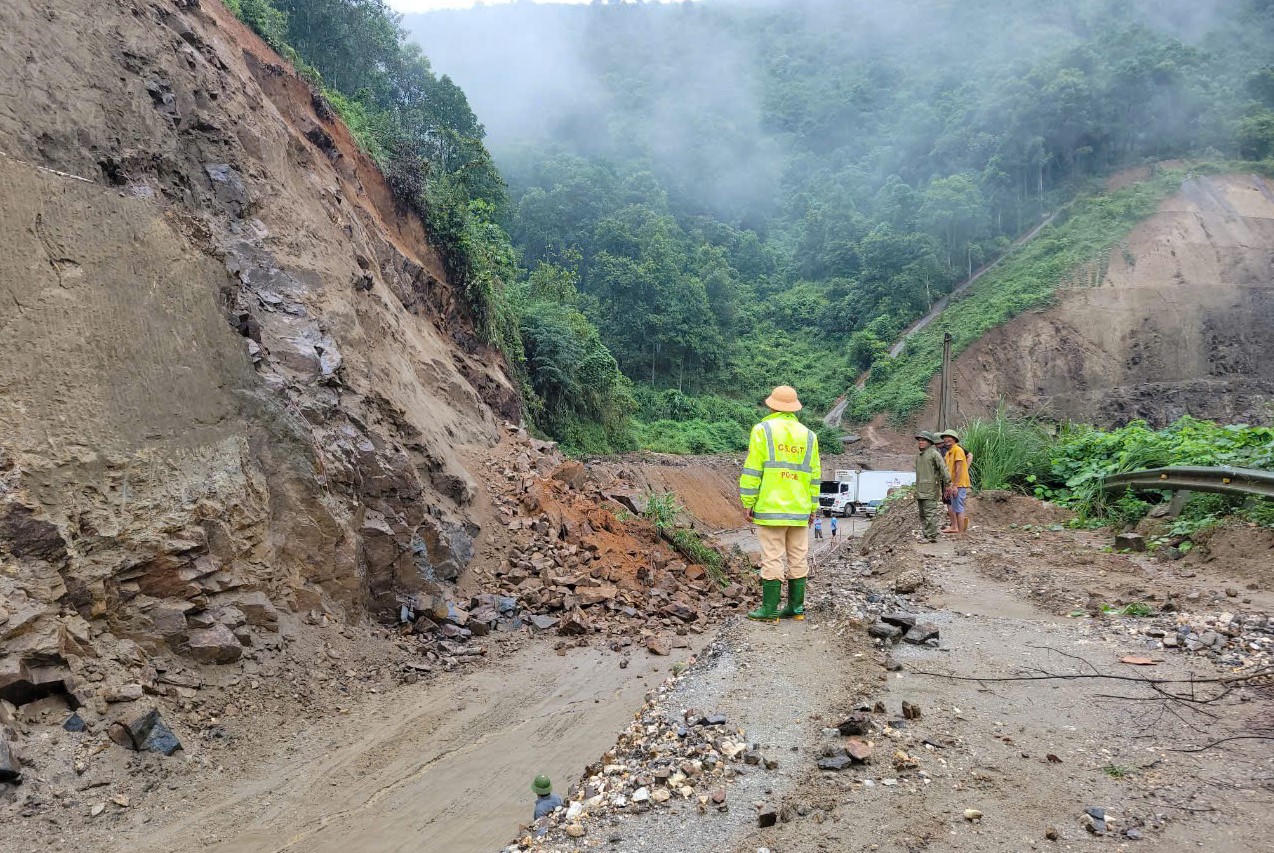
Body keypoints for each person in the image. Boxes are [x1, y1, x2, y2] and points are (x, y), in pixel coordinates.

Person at [739, 385, 821, 623]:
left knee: (772, 557)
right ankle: (796, 609)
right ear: (795, 408)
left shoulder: (762, 430)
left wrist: (748, 500)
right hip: (799, 509)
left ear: (771, 405)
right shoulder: (809, 435)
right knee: (798, 557)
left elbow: (753, 469)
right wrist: (813, 506)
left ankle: (770, 610)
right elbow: (814, 474)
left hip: (771, 508)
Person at [913, 431, 951, 543]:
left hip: (930, 489)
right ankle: (926, 535)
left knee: (930, 513)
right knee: (923, 514)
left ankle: (931, 536)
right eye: (919, 440)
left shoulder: (934, 454)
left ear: (930, 442)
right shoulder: (919, 456)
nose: (920, 442)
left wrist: (948, 483)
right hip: (920, 489)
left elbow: (943, 469)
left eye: (923, 440)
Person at [939, 429, 971, 534]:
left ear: (954, 439)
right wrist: (949, 485)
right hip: (953, 484)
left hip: (959, 484)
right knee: (955, 507)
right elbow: (949, 471)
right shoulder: (949, 453)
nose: (946, 439)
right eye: (945, 437)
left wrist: (955, 485)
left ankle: (961, 533)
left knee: (958, 509)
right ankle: (957, 529)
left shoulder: (958, 450)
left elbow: (958, 469)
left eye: (949, 437)